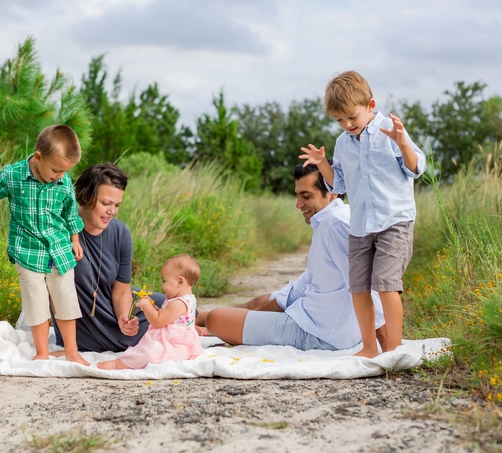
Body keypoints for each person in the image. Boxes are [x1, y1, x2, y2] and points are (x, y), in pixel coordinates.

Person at [300, 70, 426, 357]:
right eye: (339, 120)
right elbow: (339, 184)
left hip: (394, 221)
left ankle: (393, 347)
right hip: (360, 227)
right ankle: (369, 347)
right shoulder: (343, 143)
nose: (346, 124)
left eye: (351, 117)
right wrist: (321, 163)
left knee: (386, 285)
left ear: (370, 105)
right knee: (358, 287)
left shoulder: (390, 131)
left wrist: (403, 142)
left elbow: (416, 167)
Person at [201, 163, 387, 352]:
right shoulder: (329, 220)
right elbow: (305, 284)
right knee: (260, 301)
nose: (298, 204)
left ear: (333, 193)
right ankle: (193, 316)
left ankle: (203, 319)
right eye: (298, 196)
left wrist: (383, 346)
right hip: (315, 313)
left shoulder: (336, 225)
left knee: (216, 319)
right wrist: (257, 315)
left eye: (306, 196)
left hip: (320, 332)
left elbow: (365, 287)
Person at [0, 125, 89, 365]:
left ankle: (72, 351)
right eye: (56, 169)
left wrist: (75, 239)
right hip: (27, 250)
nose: (60, 175)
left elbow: (70, 214)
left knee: (65, 299)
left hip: (59, 250)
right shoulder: (13, 175)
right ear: (38, 156)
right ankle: (42, 352)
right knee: (35, 302)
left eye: (65, 171)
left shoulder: (64, 182)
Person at [50, 163, 166, 352]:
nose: (112, 211)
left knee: (175, 306)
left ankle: (196, 320)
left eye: (117, 205)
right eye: (105, 203)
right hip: (82, 323)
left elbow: (121, 290)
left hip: (110, 301)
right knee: (167, 322)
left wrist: (124, 317)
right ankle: (189, 324)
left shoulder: (120, 232)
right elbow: (54, 292)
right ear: (86, 197)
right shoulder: (60, 230)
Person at [98, 254, 204, 370]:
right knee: (145, 349)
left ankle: (118, 364)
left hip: (175, 346)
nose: (162, 285)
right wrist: (153, 306)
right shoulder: (181, 300)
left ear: (180, 281)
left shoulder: (179, 303)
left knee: (149, 352)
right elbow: (165, 315)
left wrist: (145, 305)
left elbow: (159, 321)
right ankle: (126, 361)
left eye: (164, 281)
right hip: (170, 341)